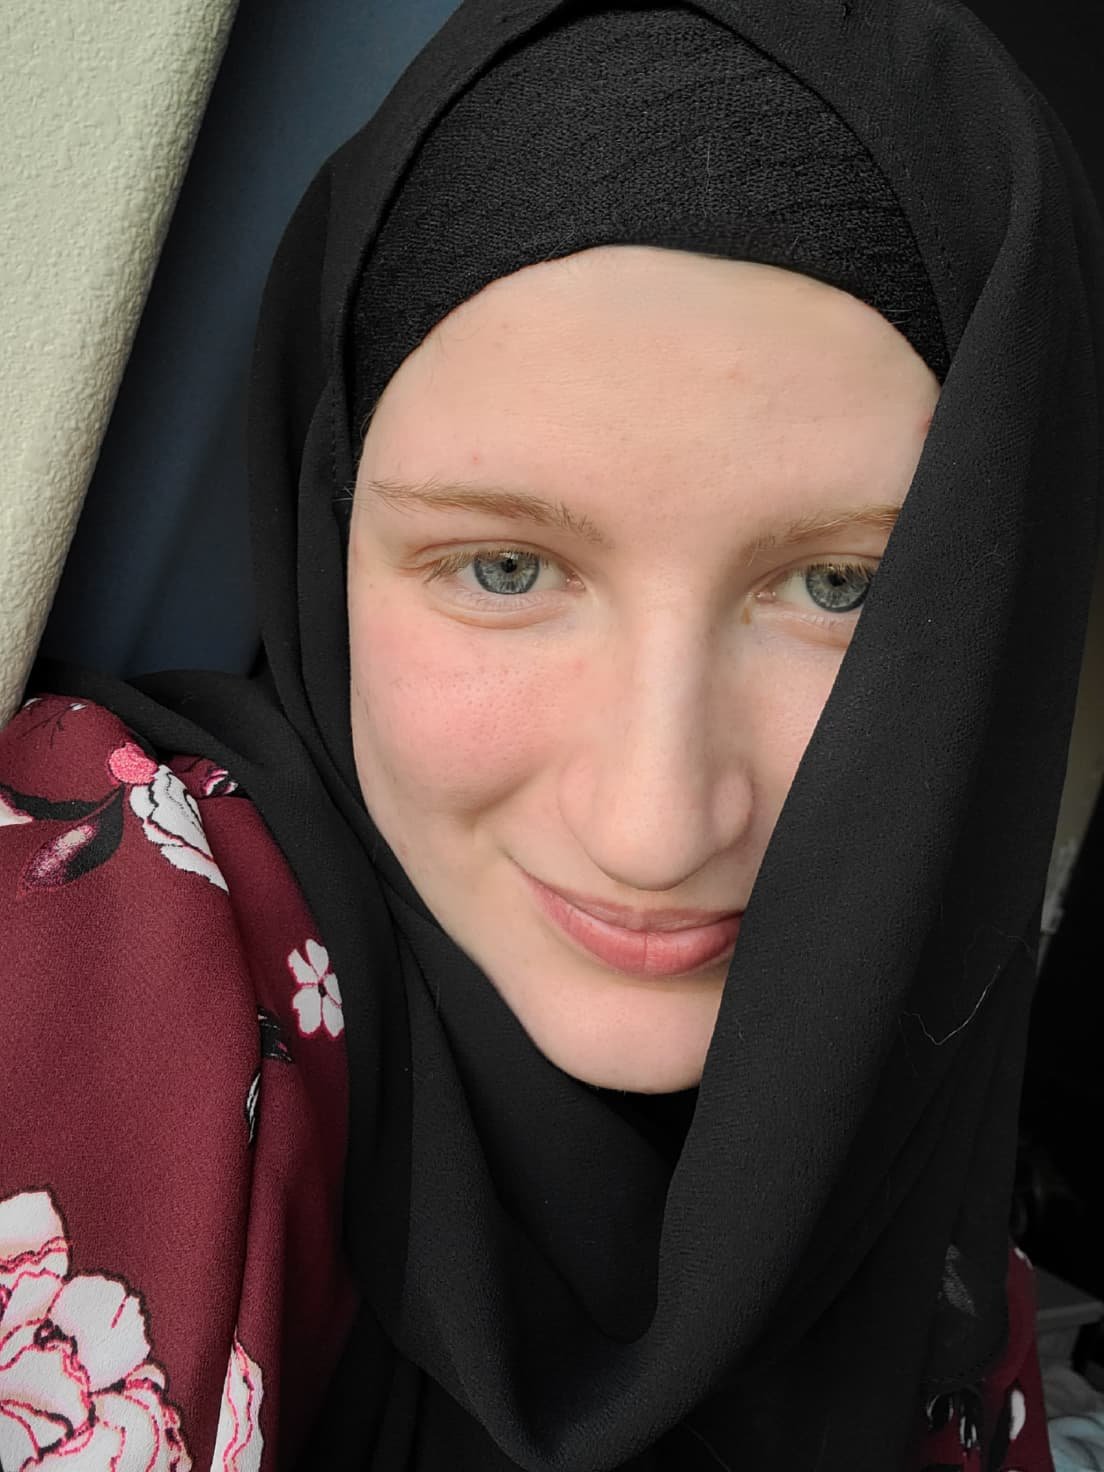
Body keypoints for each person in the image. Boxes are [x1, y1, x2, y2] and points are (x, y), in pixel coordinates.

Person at [2, 1, 1101, 1468]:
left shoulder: (959, 1271)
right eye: (506, 570)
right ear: (325, 537)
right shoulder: (93, 924)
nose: (654, 823)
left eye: (846, 591)